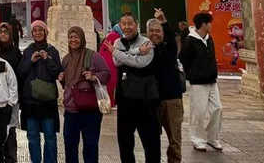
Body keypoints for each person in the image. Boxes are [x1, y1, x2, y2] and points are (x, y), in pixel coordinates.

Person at [112, 12, 160, 163]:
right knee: (125, 143)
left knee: (151, 143)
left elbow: (140, 63)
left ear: (136, 24)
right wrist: (136, 52)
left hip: (146, 101)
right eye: (123, 24)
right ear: (120, 26)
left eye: (130, 23)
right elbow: (116, 62)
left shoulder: (146, 42)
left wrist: (122, 54)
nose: (127, 27)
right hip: (125, 100)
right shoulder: (117, 43)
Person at [59, 26, 110, 163]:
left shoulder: (93, 56)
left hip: (90, 110)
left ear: (82, 39)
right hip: (71, 110)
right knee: (70, 145)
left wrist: (94, 76)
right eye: (71, 37)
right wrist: (62, 79)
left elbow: (107, 74)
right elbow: (68, 84)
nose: (73, 40)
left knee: (90, 146)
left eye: (76, 37)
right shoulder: (66, 59)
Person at [17, 20, 61, 163]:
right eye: (35, 30)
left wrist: (47, 59)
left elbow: (57, 73)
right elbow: (21, 73)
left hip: (47, 101)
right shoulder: (28, 50)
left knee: (49, 135)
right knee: (33, 136)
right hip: (30, 101)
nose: (38, 33)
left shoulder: (53, 51)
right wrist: (30, 61)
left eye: (40, 30)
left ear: (45, 32)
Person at [179, 11, 222, 153]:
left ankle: (212, 137)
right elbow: (184, 59)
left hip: (211, 80)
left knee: (217, 109)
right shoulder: (190, 41)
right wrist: (191, 74)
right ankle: (197, 139)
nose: (211, 26)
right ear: (203, 24)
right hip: (197, 82)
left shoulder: (210, 39)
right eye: (209, 23)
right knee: (199, 111)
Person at [148, 10, 184, 163]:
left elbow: (169, 36)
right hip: (152, 101)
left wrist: (163, 21)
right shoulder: (145, 50)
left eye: (158, 31)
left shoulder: (169, 48)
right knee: (152, 139)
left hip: (172, 99)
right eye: (152, 31)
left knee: (174, 139)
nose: (155, 34)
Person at [0, 23, 22, 163]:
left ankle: (11, 159)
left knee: (10, 130)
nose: (3, 34)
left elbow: (20, 72)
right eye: (0, 32)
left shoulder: (15, 52)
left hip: (11, 97)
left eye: (6, 32)